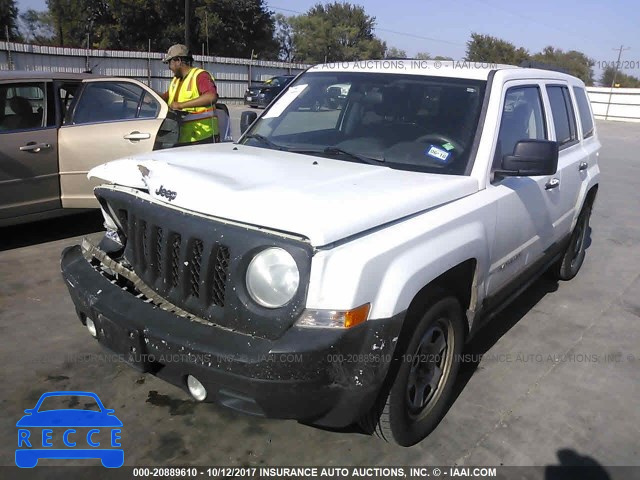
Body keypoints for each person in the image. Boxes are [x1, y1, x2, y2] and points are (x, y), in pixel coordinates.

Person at [161, 44, 219, 144]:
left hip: (202, 138)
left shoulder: (200, 76)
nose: (169, 67)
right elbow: (167, 96)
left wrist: (181, 105)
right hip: (183, 138)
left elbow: (211, 96)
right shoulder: (176, 80)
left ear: (178, 61)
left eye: (169, 63)